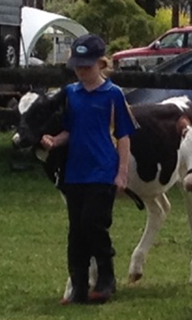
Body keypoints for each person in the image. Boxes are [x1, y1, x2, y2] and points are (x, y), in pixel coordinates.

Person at [40, 34, 138, 305]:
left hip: (102, 170)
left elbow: (124, 136)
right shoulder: (72, 94)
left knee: (93, 223)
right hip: (76, 172)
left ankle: (106, 277)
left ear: (101, 63)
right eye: (77, 66)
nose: (81, 71)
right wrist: (54, 140)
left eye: (87, 66)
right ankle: (79, 286)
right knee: (76, 231)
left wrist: (122, 172)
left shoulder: (113, 95)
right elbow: (71, 130)